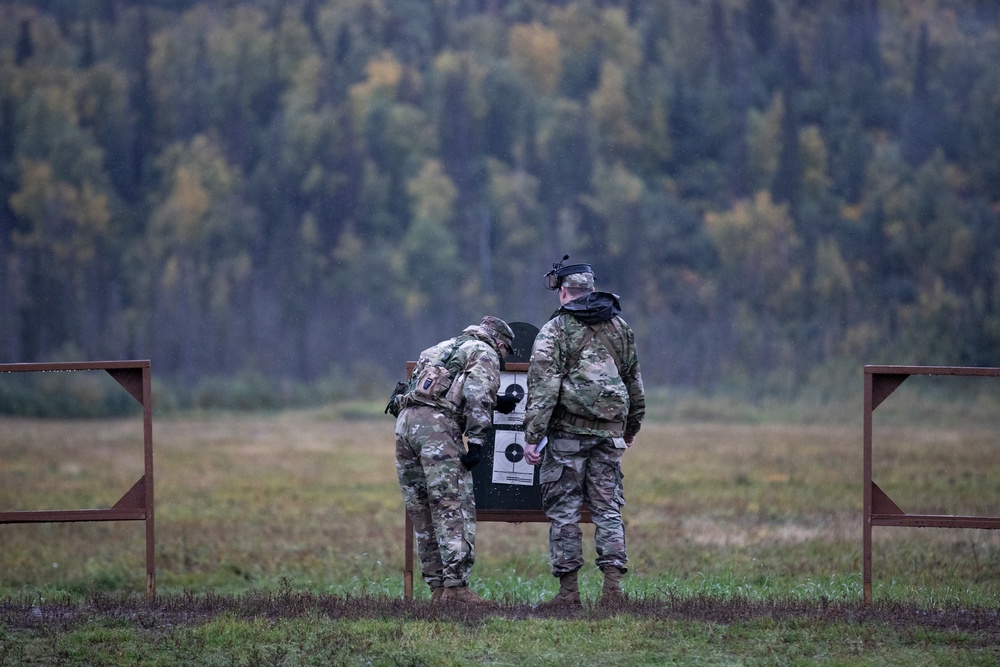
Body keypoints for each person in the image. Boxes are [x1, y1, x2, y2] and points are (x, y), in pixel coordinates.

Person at [522, 259, 645, 607]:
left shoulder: (556, 331)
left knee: (564, 513)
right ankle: (613, 592)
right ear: (590, 289)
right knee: (607, 509)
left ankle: (568, 595)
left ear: (563, 292)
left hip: (566, 437)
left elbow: (543, 390)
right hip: (609, 434)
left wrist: (533, 438)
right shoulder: (620, 327)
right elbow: (634, 382)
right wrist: (631, 427)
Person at [394, 316, 516, 604]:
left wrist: (497, 401)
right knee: (451, 504)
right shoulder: (485, 352)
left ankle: (438, 587)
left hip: (405, 425)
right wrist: (476, 441)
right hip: (437, 429)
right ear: (500, 344)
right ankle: (457, 589)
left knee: (421, 507)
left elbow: (441, 388)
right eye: (505, 353)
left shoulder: (442, 347)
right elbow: (476, 394)